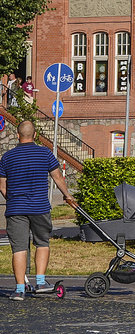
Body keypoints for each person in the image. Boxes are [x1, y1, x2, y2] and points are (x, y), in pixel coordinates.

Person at [0, 120, 77, 300]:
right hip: (39, 207)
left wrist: (13, 200)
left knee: (18, 248)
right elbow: (58, 177)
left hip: (16, 209)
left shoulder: (7, 157)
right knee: (42, 242)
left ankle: (19, 289)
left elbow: (2, 187)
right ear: (35, 135)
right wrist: (68, 196)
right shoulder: (45, 153)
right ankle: (41, 282)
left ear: (18, 136)